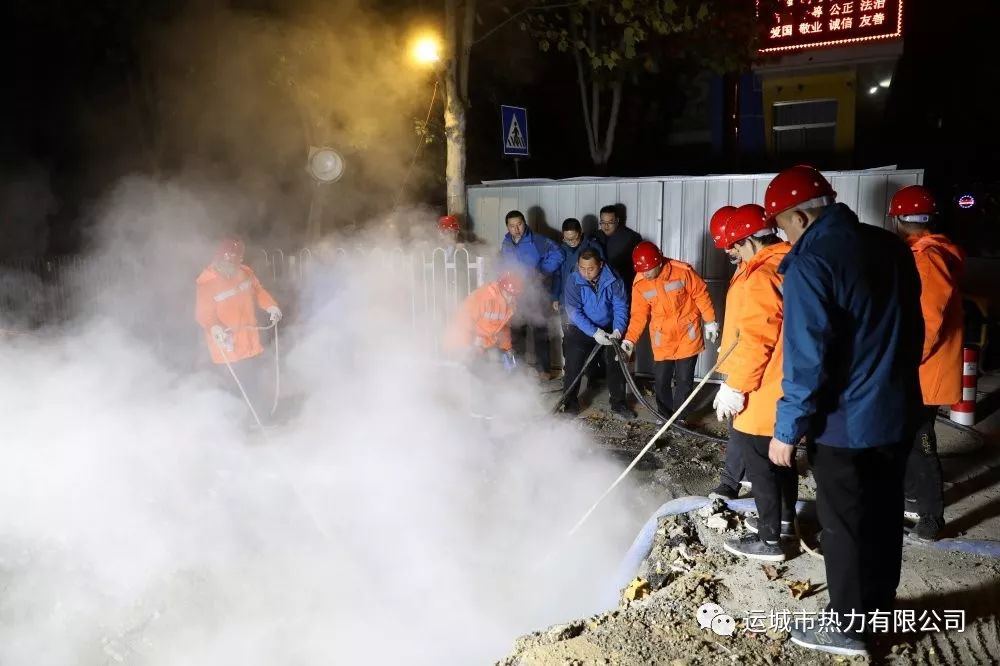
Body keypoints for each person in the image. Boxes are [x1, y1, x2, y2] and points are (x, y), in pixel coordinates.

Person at [765, 165, 923, 657]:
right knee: (883, 516)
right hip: (898, 411)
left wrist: (787, 430)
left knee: (845, 526)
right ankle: (878, 611)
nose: (783, 236)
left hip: (846, 424)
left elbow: (806, 359)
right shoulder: (891, 246)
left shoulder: (811, 263)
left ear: (800, 216)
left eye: (782, 226)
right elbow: (914, 329)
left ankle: (850, 626)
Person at [707, 204, 795, 562]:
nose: (733, 253)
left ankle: (769, 540)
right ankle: (785, 522)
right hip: (780, 382)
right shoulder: (784, 262)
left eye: (736, 246)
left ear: (749, 240)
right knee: (780, 460)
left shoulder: (762, 275)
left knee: (762, 465)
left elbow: (757, 340)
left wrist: (736, 386)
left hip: (762, 386)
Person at [890, 185, 965, 542]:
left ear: (899, 220)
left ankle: (932, 517)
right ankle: (912, 497)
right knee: (909, 437)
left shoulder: (927, 259)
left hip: (923, 371)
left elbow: (927, 324)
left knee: (921, 442)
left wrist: (902, 363)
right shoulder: (926, 254)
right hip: (922, 368)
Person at [620, 241, 719, 422]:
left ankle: (680, 418)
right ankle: (664, 417)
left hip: (687, 334)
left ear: (659, 262)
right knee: (661, 380)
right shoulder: (640, 284)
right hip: (663, 337)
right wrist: (629, 341)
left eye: (648, 269)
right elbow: (638, 316)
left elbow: (700, 294)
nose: (645, 274)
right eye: (641, 270)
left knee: (684, 380)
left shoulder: (682, 272)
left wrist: (710, 320)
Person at [195, 238, 282, 422]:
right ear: (218, 259)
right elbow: (204, 314)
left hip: (249, 342)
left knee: (254, 383)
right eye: (225, 263)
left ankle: (259, 420)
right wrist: (214, 327)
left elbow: (258, 291)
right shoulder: (207, 283)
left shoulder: (246, 273)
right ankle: (238, 426)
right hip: (227, 347)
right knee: (235, 389)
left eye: (233, 263)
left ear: (240, 260)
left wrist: (271, 306)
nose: (229, 268)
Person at [706, 205, 750, 500]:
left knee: (750, 426)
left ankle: (736, 482)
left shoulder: (765, 271)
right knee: (741, 425)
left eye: (730, 245)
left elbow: (761, 332)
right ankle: (737, 478)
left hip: (755, 367)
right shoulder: (744, 267)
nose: (727, 251)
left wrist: (735, 384)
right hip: (741, 360)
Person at [561, 249, 633, 418]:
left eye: (590, 269)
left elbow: (620, 306)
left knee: (617, 361)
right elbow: (574, 311)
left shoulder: (613, 278)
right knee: (573, 364)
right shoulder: (573, 279)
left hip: (608, 327)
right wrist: (594, 332)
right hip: (580, 328)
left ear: (600, 265)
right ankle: (570, 404)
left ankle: (618, 403)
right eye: (582, 268)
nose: (586, 273)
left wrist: (618, 330)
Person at [499, 210, 563, 380]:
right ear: (507, 227)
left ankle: (544, 371)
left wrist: (543, 271)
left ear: (525, 223)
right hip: (515, 296)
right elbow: (503, 264)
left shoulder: (538, 240)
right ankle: (518, 371)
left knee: (540, 332)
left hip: (535, 293)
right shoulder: (506, 243)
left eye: (519, 224)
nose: (516, 229)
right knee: (516, 333)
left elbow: (559, 254)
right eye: (512, 226)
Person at [443, 270, 521, 368]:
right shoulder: (484, 297)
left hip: (481, 348)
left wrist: (507, 350)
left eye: (514, 296)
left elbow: (503, 329)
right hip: (461, 345)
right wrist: (469, 346)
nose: (510, 299)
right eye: (508, 294)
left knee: (497, 367)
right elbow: (462, 321)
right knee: (478, 371)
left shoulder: (508, 306)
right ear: (501, 289)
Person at [595, 205, 643, 290]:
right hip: (601, 285)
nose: (606, 226)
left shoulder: (631, 238)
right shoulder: (595, 236)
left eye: (610, 222)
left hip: (623, 285)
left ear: (617, 221)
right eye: (603, 222)